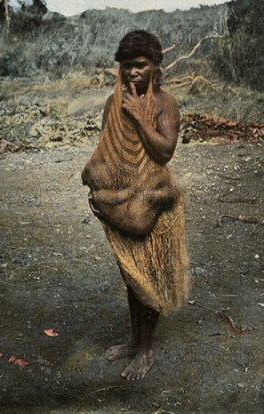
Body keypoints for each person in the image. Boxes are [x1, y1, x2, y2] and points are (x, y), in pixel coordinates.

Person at [82, 30, 190, 380]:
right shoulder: (112, 105)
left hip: (154, 200)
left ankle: (146, 350)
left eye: (140, 66)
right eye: (126, 67)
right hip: (124, 201)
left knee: (149, 276)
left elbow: (164, 151)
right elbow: (106, 152)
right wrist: (102, 189)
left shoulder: (165, 103)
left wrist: (140, 116)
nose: (132, 73)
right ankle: (133, 339)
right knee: (130, 275)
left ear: (156, 67)